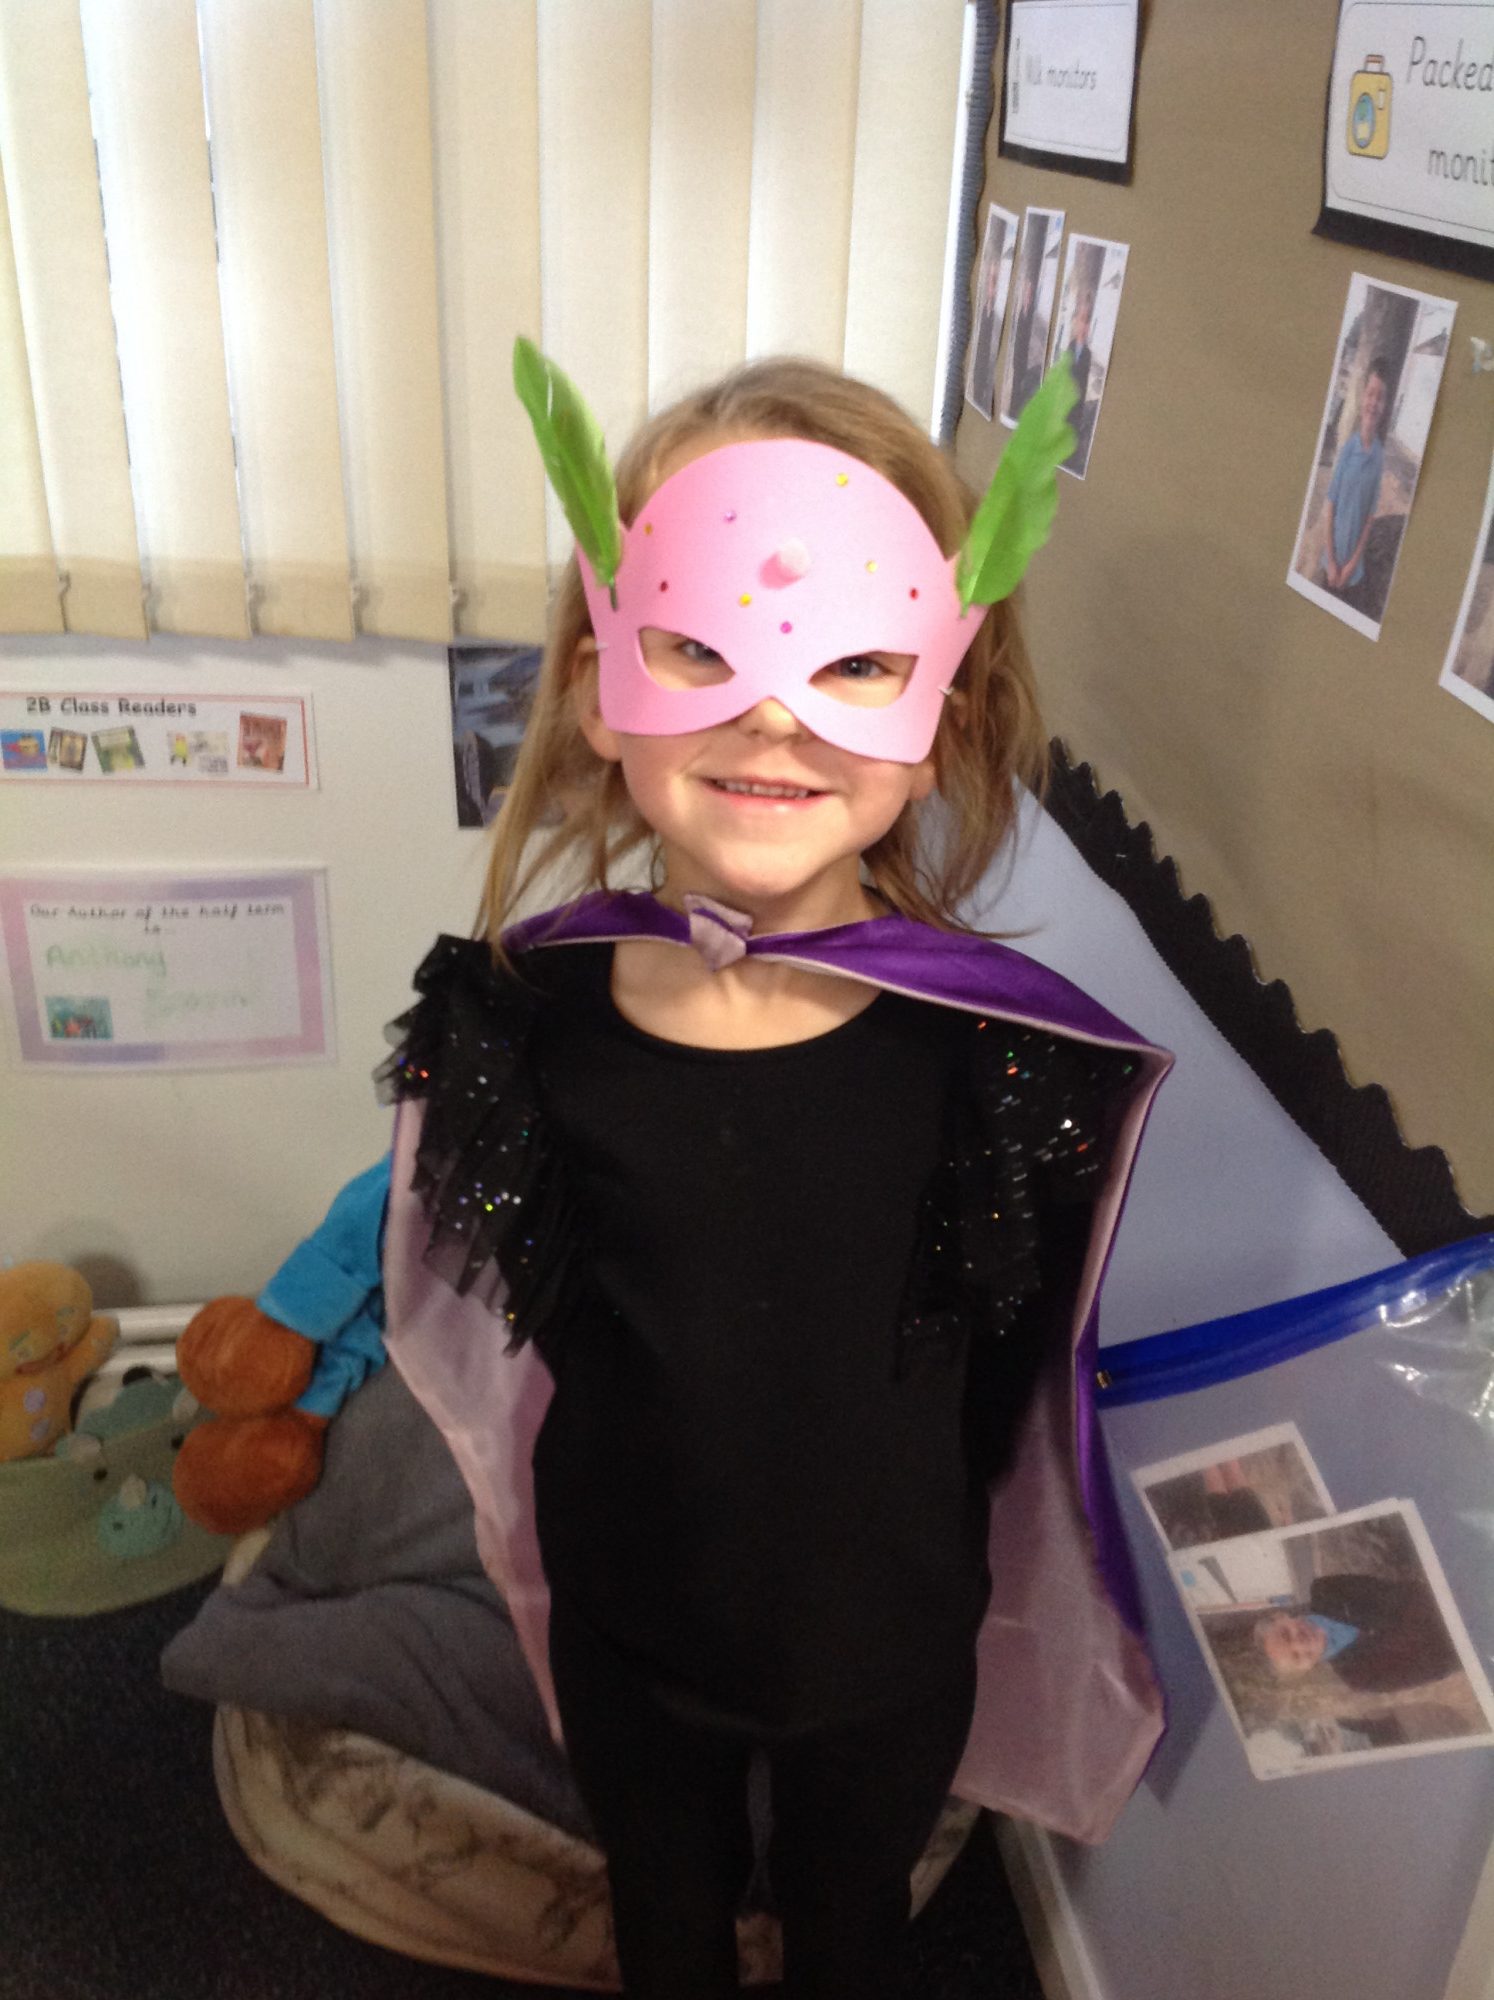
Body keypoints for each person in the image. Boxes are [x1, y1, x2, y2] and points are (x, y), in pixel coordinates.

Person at [377, 344, 1170, 1999]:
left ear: (942, 712)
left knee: (847, 1926)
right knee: (662, 1921)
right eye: (697, 644)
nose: (768, 714)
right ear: (599, 684)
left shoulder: (998, 1067)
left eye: (854, 662)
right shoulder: (521, 1022)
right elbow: (539, 1317)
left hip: (884, 1649)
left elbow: (1000, 1379)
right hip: (626, 1622)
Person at [1254, 1570, 1460, 1694]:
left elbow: (1402, 1594)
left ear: (1282, 1616)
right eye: (1296, 1657)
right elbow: (1436, 1669)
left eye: (1286, 1634)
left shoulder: (1327, 1591)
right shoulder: (1359, 1678)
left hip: (1449, 1597)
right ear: (1306, 1669)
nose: (1299, 1643)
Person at [1320, 354, 1389, 602]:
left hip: (1353, 572)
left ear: (1385, 406)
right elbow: (1330, 505)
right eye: (1370, 393)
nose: (1373, 402)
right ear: (1362, 398)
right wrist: (1331, 561)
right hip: (1329, 564)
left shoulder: (1380, 458)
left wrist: (1350, 566)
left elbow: (1369, 518)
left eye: (1380, 397)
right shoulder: (1348, 449)